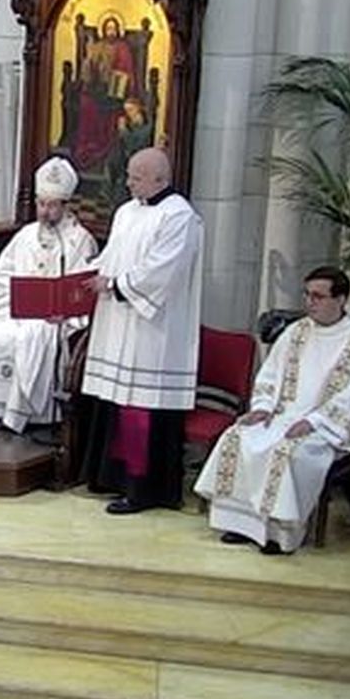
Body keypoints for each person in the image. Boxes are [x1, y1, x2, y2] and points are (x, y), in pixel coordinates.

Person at [194, 267, 350, 554]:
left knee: (290, 452)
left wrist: (314, 421)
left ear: (341, 299)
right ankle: (242, 526)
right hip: (280, 414)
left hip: (325, 427)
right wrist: (263, 407)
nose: (309, 302)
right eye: (307, 295)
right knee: (238, 436)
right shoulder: (297, 331)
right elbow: (269, 373)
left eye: (318, 296)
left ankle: (279, 537)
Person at [79, 147, 203, 514]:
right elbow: (112, 256)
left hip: (154, 332)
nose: (128, 181)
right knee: (116, 403)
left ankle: (143, 490)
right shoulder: (125, 211)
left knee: (140, 409)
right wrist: (86, 275)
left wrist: (116, 285)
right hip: (118, 325)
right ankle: (110, 478)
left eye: (135, 176)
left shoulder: (180, 216)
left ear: (159, 179)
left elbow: (162, 270)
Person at [0, 158, 99, 435]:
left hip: (53, 319)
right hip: (17, 309)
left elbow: (82, 288)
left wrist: (66, 312)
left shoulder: (79, 240)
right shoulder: (25, 236)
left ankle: (20, 413)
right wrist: (12, 302)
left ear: (65, 205)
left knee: (31, 337)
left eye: (51, 205)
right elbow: (2, 277)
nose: (45, 211)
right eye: (41, 204)